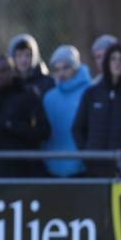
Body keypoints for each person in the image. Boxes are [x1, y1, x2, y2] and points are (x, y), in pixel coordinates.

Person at [73, 43, 121, 177]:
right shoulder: (92, 93)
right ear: (107, 62)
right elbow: (78, 127)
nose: (117, 63)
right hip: (94, 166)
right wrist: (86, 153)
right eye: (113, 59)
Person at [0, 55, 50, 177]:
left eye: (3, 71)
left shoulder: (27, 95)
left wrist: (14, 126)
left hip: (22, 171)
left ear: (12, 71)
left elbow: (44, 130)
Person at [42, 45, 91, 177]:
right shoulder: (49, 97)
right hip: (52, 168)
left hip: (83, 168)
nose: (61, 73)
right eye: (57, 69)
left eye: (65, 68)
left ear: (75, 67)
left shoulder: (89, 92)